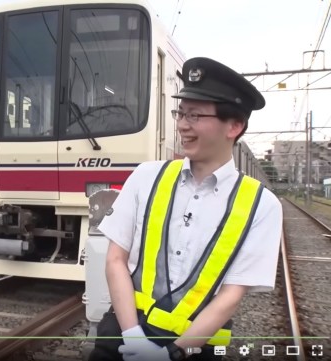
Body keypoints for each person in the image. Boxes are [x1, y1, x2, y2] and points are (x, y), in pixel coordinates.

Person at [88, 57, 283, 361]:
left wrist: (172, 355)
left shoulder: (262, 206)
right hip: (123, 338)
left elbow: (230, 297)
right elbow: (115, 259)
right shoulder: (146, 176)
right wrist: (133, 337)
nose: (182, 125)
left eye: (194, 115)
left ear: (234, 126)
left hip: (197, 349)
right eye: (181, 113)